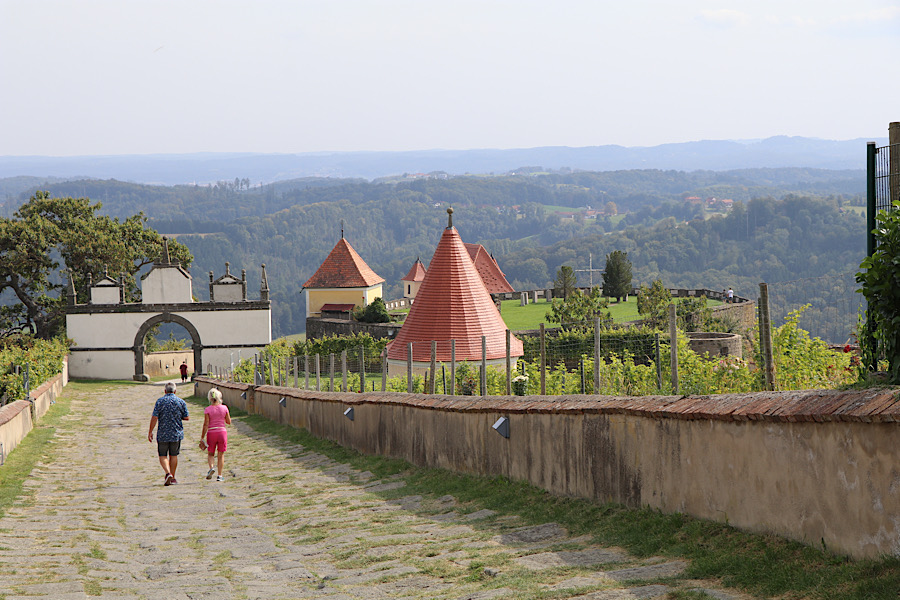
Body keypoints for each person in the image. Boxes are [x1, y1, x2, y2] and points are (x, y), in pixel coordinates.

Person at [148, 382, 189, 486]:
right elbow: (186, 417)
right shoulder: (181, 402)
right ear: (175, 391)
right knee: (173, 455)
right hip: (176, 432)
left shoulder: (160, 401)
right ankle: (173, 477)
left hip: (163, 433)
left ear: (165, 391)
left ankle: (167, 473)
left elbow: (154, 417)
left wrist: (150, 431)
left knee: (162, 455)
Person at [201, 388, 231, 482]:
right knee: (221, 454)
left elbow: (206, 424)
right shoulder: (224, 408)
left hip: (211, 432)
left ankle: (211, 468)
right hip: (222, 432)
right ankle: (220, 475)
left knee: (211, 453)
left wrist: (202, 437)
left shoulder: (207, 409)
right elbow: (228, 421)